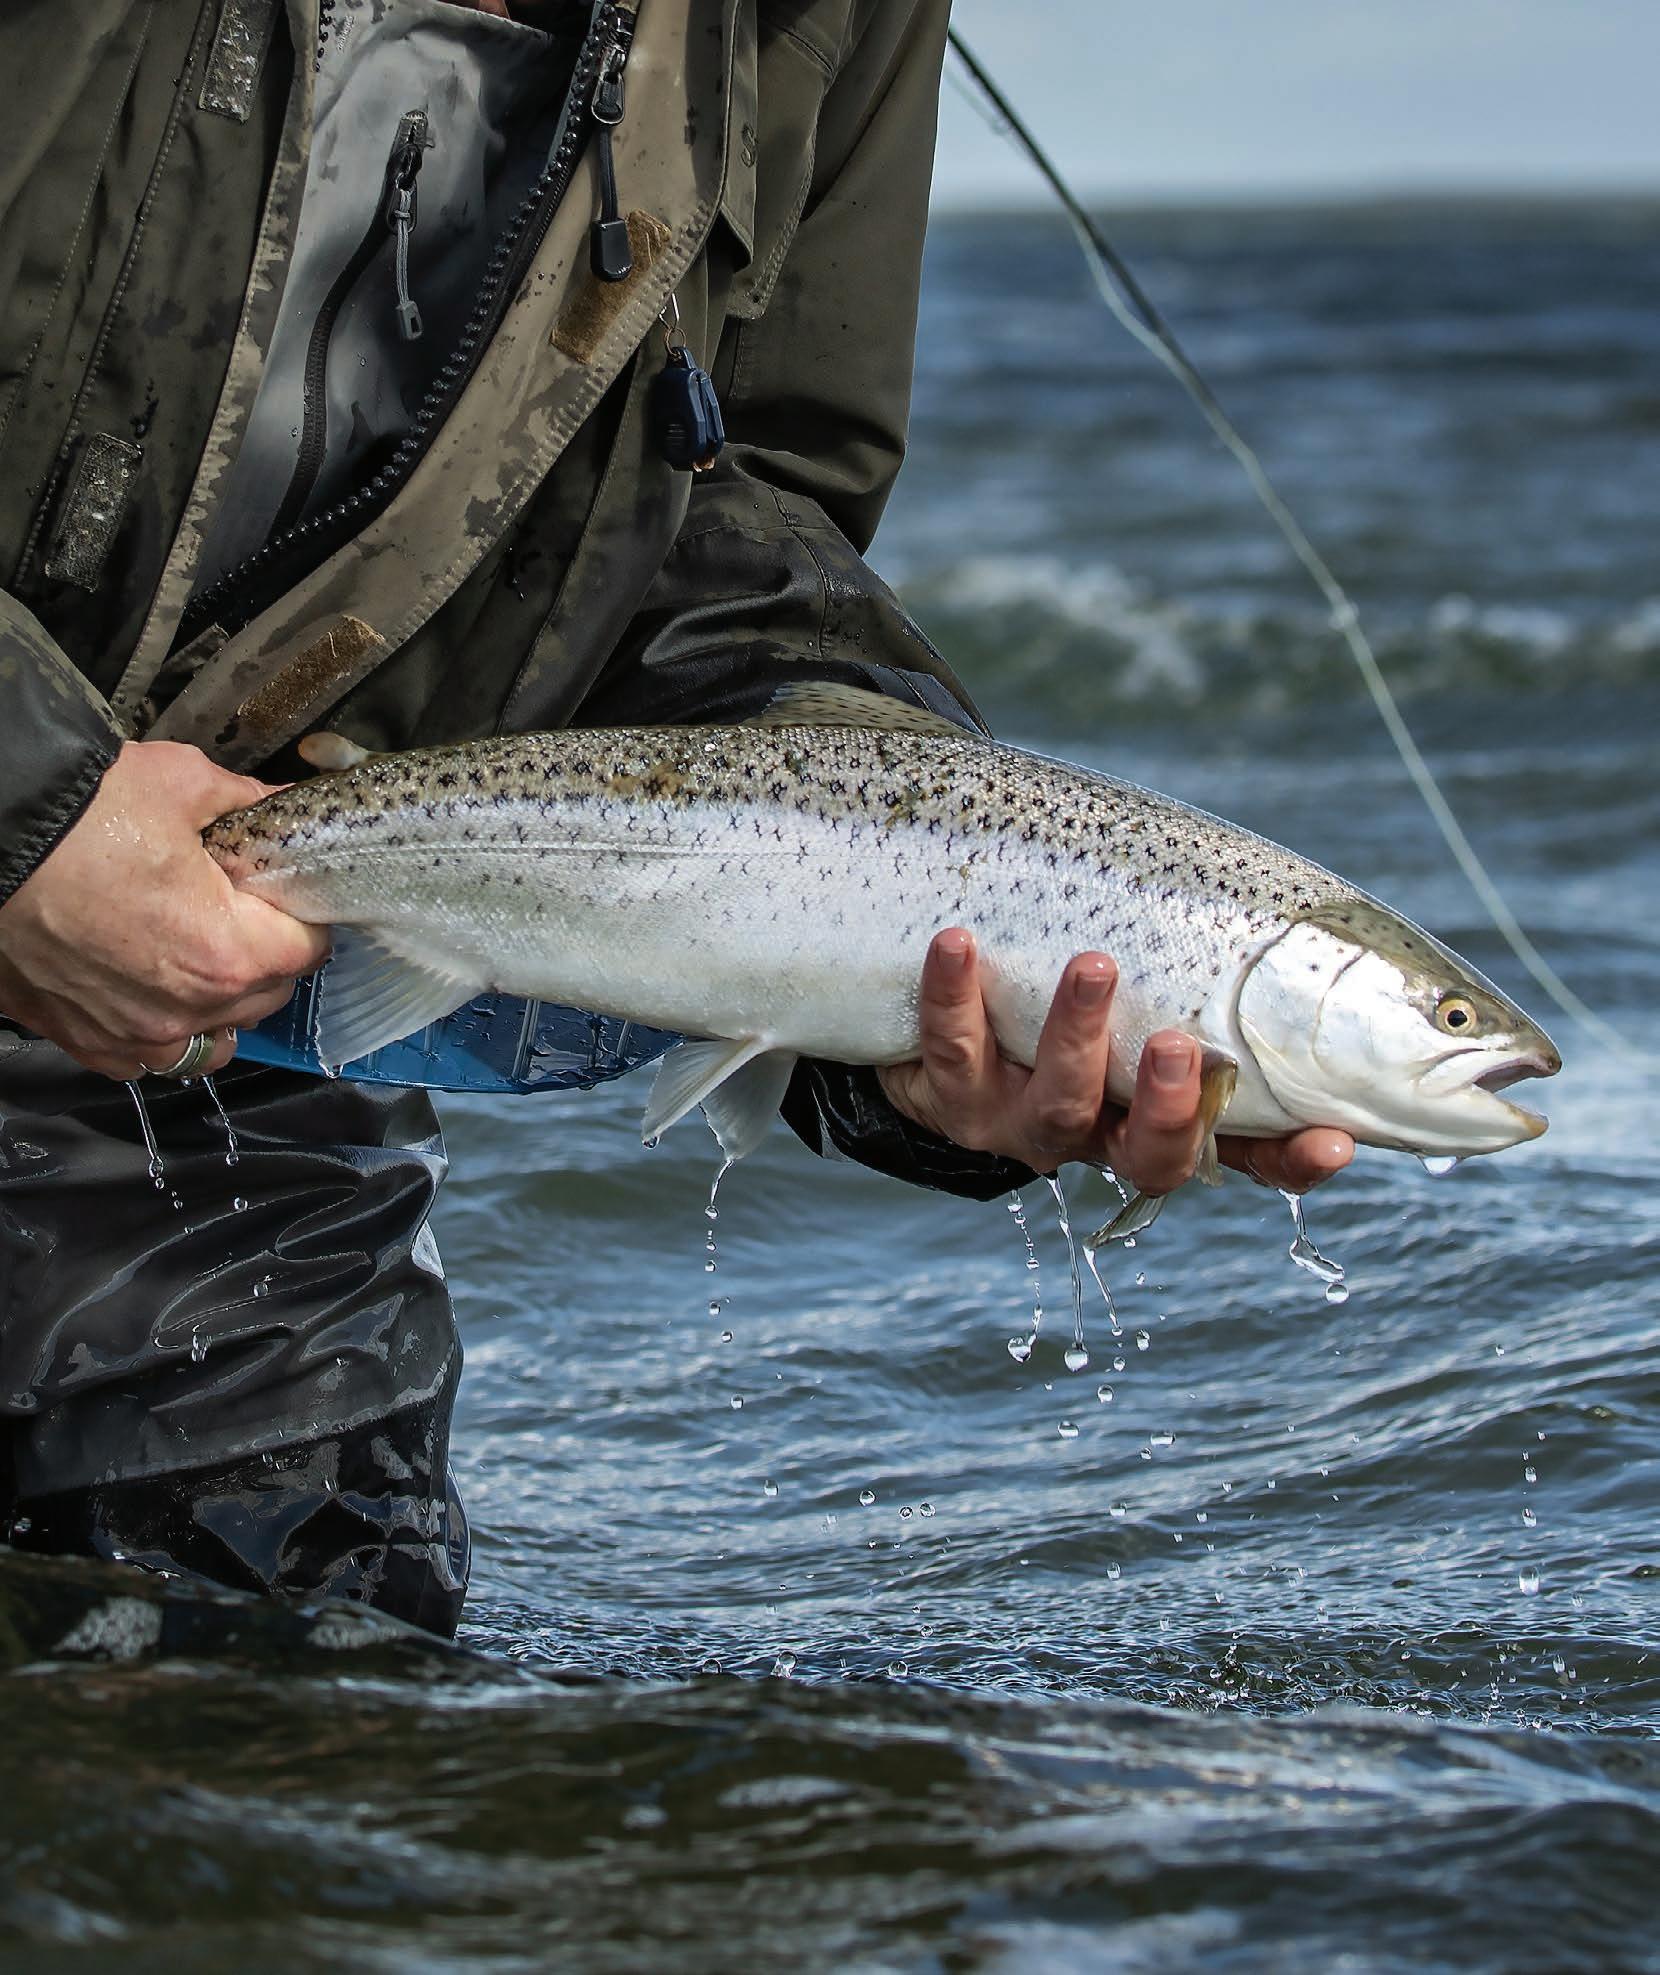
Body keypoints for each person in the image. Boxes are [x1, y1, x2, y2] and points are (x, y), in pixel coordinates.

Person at [0, 0, 1350, 1637]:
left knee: (305, 1707)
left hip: (211, 1017)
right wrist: (29, 813)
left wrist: (911, 1009)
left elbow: (725, 519)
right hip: (70, 847)